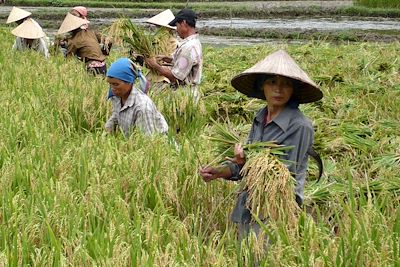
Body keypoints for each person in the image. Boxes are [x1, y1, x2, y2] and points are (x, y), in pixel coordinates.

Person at [199, 50, 323, 243]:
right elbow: (246, 164)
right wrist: (219, 172)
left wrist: (245, 162)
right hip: (250, 201)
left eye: (286, 84)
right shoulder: (260, 116)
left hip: (275, 207)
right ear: (262, 86)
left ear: (294, 90)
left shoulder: (299, 126)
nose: (279, 89)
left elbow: (280, 175)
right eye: (272, 82)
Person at [145, 8, 202, 100]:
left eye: (177, 26)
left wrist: (156, 66)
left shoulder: (188, 47)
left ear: (183, 23)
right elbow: (186, 63)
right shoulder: (194, 42)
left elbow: (176, 78)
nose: (176, 30)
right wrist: (169, 59)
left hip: (184, 95)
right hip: (187, 93)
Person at [105, 58, 169, 137]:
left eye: (115, 84)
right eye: (110, 84)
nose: (112, 88)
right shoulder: (117, 97)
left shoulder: (142, 107)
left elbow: (148, 141)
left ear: (129, 82)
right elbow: (116, 115)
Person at [141, 9, 179, 90]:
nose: (157, 30)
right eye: (157, 27)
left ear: (167, 29)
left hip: (164, 80)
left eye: (160, 28)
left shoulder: (175, 44)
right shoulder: (154, 42)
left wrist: (154, 64)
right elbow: (148, 62)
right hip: (151, 78)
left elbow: (171, 65)